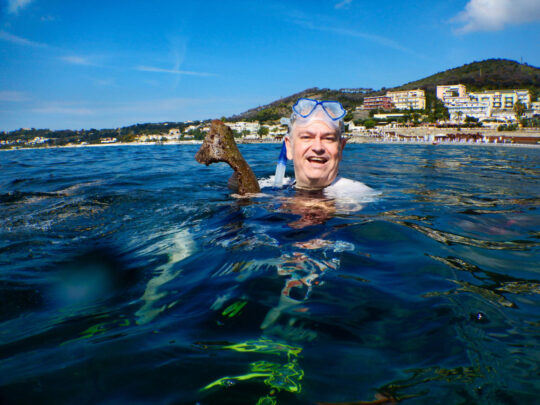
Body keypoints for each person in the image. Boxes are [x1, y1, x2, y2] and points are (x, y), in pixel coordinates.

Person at [282, 98, 377, 207]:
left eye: (328, 138)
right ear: (289, 147)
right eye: (307, 137)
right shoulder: (271, 185)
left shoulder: (360, 197)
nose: (318, 147)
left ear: (341, 148)